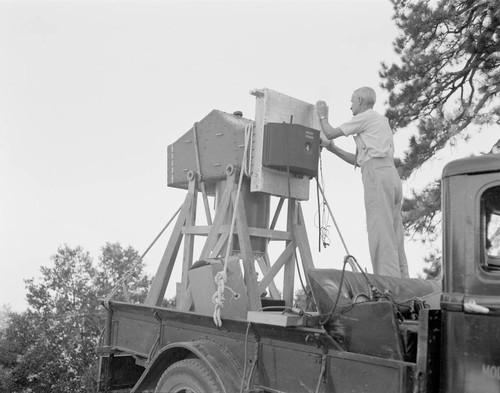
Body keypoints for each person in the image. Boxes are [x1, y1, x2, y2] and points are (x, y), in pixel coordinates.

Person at [316, 86, 409, 278]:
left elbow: (330, 132)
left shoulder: (364, 116)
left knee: (381, 233)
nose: (350, 106)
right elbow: (358, 161)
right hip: (390, 174)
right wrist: (332, 149)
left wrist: (322, 115)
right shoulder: (379, 122)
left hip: (376, 175)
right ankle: (404, 282)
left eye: (351, 101)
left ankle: (389, 284)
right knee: (394, 233)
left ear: (359, 101)